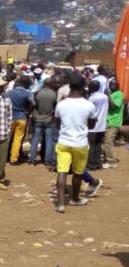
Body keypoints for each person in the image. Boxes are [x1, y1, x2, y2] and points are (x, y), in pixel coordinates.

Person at [54, 75, 96, 213]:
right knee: (78, 173)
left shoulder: (61, 104)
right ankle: (75, 199)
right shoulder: (89, 105)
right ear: (83, 87)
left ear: (70, 86)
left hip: (64, 142)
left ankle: (60, 204)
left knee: (62, 172)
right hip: (80, 143)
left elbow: (57, 123)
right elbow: (91, 124)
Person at [29, 77, 59, 169]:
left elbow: (34, 105)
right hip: (49, 119)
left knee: (35, 139)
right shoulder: (54, 94)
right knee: (49, 140)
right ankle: (47, 160)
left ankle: (32, 159)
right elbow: (55, 107)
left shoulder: (37, 93)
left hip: (38, 118)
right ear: (50, 84)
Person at [6, 76, 34, 164]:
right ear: (26, 84)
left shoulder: (9, 92)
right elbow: (33, 103)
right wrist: (28, 112)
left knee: (7, 138)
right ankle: (13, 159)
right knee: (17, 139)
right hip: (22, 117)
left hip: (9, 117)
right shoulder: (27, 93)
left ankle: (3, 157)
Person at [86, 80, 108, 171]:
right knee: (98, 145)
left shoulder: (92, 98)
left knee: (91, 146)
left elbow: (89, 112)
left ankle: (91, 165)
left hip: (93, 126)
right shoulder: (105, 96)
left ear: (92, 87)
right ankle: (98, 163)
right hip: (102, 125)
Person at [103, 79, 126, 168]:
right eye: (110, 85)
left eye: (114, 85)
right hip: (108, 120)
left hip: (114, 121)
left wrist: (108, 95)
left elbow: (114, 106)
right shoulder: (112, 94)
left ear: (118, 86)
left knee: (108, 141)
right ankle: (109, 157)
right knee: (107, 141)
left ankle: (111, 162)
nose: (111, 86)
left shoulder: (119, 94)